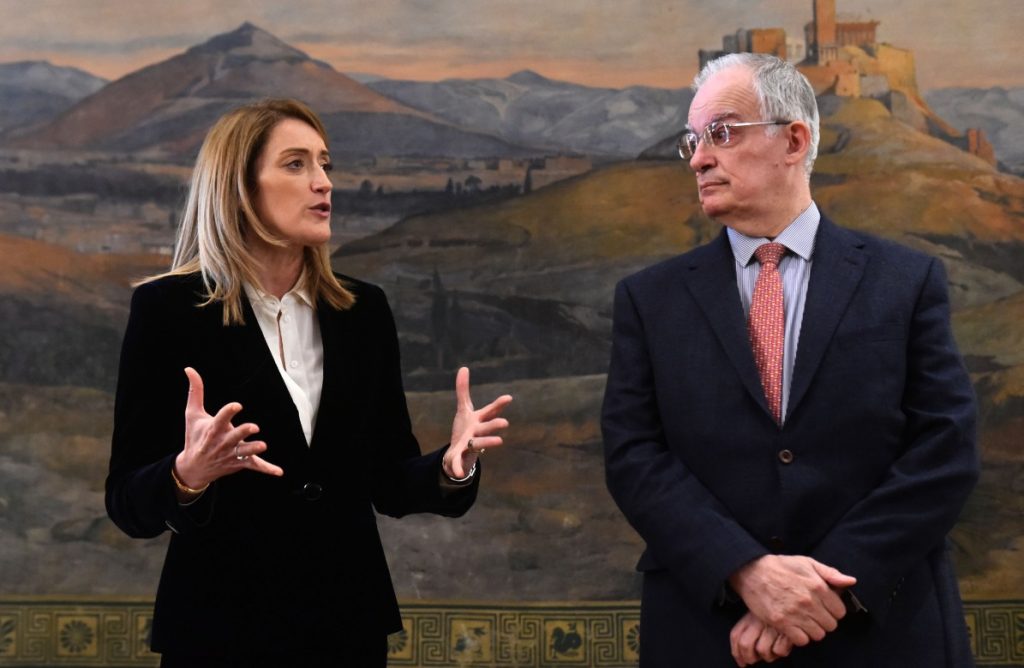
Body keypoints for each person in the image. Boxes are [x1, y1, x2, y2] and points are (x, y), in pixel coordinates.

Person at [105, 98, 512, 667]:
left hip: (346, 627)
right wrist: (187, 475)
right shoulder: (167, 310)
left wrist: (452, 467)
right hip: (219, 630)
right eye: (296, 164)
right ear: (238, 187)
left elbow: (389, 480)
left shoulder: (362, 311)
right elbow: (126, 501)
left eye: (325, 164)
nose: (323, 182)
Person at [601, 53, 978, 667]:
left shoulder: (905, 282)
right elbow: (634, 457)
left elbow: (945, 449)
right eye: (693, 141)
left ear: (794, 141)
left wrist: (825, 587)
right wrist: (747, 571)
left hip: (881, 629)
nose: (698, 159)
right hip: (710, 631)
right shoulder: (650, 300)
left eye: (720, 133)